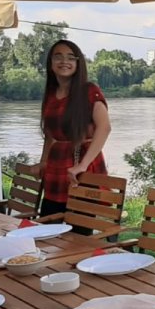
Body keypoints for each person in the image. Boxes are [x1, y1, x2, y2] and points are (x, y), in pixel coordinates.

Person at [38, 40, 112, 218]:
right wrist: (43, 162)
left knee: (78, 229)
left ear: (78, 64)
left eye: (71, 58)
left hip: (82, 165)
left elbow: (104, 127)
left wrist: (82, 165)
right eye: (58, 57)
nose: (64, 61)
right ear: (50, 62)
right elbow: (49, 136)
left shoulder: (88, 90)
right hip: (56, 166)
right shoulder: (51, 94)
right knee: (47, 224)